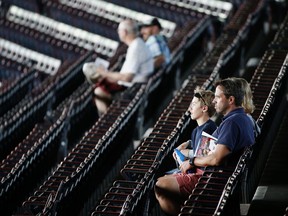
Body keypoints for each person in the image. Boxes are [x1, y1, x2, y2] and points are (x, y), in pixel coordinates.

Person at [154, 78, 255, 215]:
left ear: (230, 100)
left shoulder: (231, 123)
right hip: (224, 177)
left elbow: (216, 159)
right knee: (164, 181)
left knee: (160, 186)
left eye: (218, 97)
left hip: (215, 180)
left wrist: (192, 161)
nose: (214, 101)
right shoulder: (242, 118)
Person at [93, 19, 154, 115]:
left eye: (119, 31)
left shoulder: (136, 48)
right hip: (139, 86)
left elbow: (127, 77)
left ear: (124, 32)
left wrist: (104, 73)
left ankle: (107, 123)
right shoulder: (138, 44)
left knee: (99, 91)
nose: (118, 33)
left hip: (134, 90)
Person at [172, 87, 217, 166]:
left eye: (194, 104)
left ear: (204, 108)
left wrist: (185, 154)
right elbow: (198, 143)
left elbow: (203, 158)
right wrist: (187, 143)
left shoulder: (208, 128)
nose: (190, 108)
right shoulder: (196, 130)